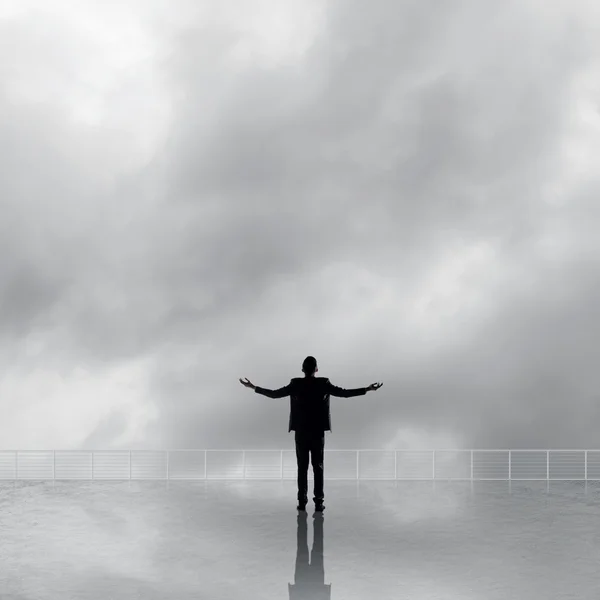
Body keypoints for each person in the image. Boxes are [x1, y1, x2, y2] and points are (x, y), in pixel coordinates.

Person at [239, 356, 383, 512]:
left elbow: (274, 394)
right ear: (316, 369)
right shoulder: (323, 383)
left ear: (302, 369)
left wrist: (253, 387)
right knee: (318, 467)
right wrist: (367, 389)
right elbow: (344, 393)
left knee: (302, 467)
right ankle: (319, 503)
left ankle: (302, 502)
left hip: (301, 432)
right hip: (317, 432)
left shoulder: (295, 384)